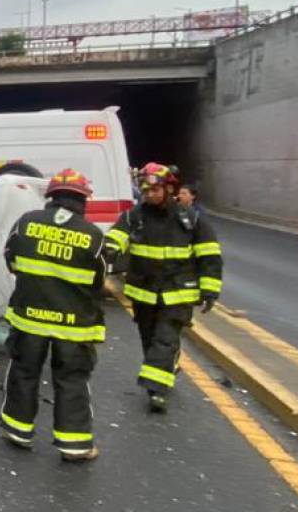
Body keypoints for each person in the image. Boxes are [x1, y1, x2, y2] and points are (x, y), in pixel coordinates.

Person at [0, 169, 107, 462]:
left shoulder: (27, 222)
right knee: (72, 380)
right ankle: (75, 445)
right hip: (73, 326)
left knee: (23, 372)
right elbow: (98, 281)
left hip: (29, 318)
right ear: (82, 200)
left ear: (51, 197)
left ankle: (17, 431)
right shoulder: (93, 235)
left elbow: (10, 258)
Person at [106, 162, 222, 413]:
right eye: (146, 190)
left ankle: (157, 390)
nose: (149, 195)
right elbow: (116, 236)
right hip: (143, 292)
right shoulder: (133, 216)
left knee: (165, 339)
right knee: (150, 339)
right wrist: (109, 249)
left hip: (178, 293)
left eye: (155, 190)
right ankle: (167, 366)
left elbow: (210, 256)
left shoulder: (191, 219)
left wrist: (210, 290)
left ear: (169, 188)